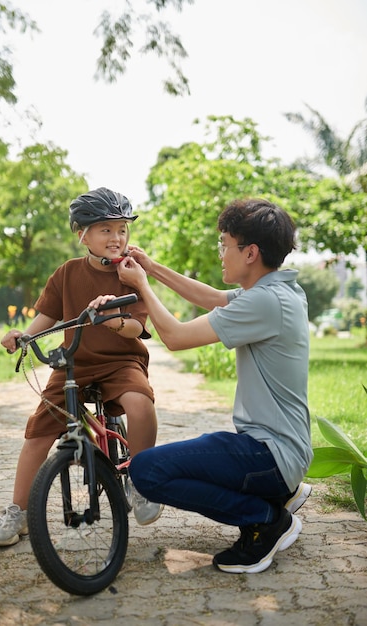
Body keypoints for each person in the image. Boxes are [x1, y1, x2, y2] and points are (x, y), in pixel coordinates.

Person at [110, 197, 313, 574]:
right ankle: (280, 493)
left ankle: (264, 520)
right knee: (193, 457)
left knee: (147, 471)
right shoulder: (280, 291)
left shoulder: (265, 302)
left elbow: (174, 337)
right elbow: (211, 297)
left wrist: (141, 284)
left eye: (225, 244)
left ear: (250, 252)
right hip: (283, 450)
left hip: (268, 454)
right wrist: (153, 269)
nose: (220, 252)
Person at [0, 187, 163, 547]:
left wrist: (109, 318)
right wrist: (24, 336)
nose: (117, 237)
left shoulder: (133, 273)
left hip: (121, 361)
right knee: (39, 431)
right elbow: (48, 316)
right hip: (75, 363)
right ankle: (17, 511)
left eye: (122, 229)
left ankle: (143, 483)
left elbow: (135, 327)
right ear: (81, 233)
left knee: (140, 403)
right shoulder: (67, 273)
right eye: (106, 229)